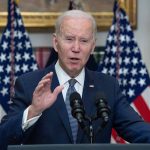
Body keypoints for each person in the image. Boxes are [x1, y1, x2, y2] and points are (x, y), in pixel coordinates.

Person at [1, 9, 150, 150]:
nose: (76, 48)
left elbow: (137, 129)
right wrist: (33, 111)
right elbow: (3, 139)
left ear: (92, 46)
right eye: (69, 39)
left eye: (84, 41)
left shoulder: (108, 86)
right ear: (56, 43)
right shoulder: (29, 84)